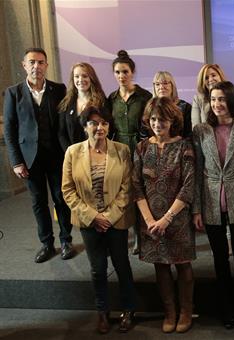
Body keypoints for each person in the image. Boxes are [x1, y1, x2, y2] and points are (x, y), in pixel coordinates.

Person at [192, 81, 234, 330]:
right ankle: (227, 308)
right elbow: (198, 170)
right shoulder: (201, 130)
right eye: (213, 99)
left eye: (221, 99)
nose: (217, 104)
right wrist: (197, 209)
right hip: (210, 201)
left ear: (231, 100)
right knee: (220, 260)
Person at [61, 106, 137, 334]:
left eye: (104, 123)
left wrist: (109, 216)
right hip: (89, 222)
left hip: (116, 220)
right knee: (97, 269)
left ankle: (129, 309)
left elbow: (127, 187)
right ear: (84, 127)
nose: (99, 127)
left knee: (122, 265)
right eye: (93, 123)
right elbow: (67, 190)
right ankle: (102, 312)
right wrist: (94, 217)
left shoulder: (122, 150)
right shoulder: (73, 152)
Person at [3, 47, 74, 263]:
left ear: (46, 65)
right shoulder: (13, 93)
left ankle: (66, 240)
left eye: (41, 62)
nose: (37, 66)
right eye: (32, 62)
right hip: (29, 159)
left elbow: (66, 123)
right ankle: (46, 243)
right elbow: (9, 129)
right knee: (38, 202)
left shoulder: (59, 89)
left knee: (61, 199)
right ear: (24, 65)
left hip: (56, 156)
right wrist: (16, 162)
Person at [133, 97, 196, 333]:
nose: (158, 123)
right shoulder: (141, 148)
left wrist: (166, 218)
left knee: (182, 265)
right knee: (160, 267)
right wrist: (150, 220)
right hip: (149, 220)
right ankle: (170, 312)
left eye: (163, 119)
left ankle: (186, 311)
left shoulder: (184, 146)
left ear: (173, 120)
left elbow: (188, 186)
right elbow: (136, 186)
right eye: (153, 119)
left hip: (177, 217)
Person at [107, 49, 152, 255]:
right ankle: (131, 234)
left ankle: (143, 234)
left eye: (125, 71)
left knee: (142, 191)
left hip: (141, 148)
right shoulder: (112, 98)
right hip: (119, 151)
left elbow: (151, 125)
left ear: (132, 72)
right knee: (124, 192)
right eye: (117, 72)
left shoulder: (145, 96)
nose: (121, 76)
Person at [58, 62, 107, 151]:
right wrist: (70, 153)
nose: (80, 80)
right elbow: (61, 133)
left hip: (97, 155)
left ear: (91, 78)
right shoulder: (66, 103)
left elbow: (107, 129)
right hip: (73, 156)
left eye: (84, 76)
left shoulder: (101, 102)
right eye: (77, 76)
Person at [152, 71, 192, 138]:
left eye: (165, 83)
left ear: (172, 86)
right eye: (157, 84)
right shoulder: (150, 108)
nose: (161, 87)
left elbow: (189, 135)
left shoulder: (186, 107)